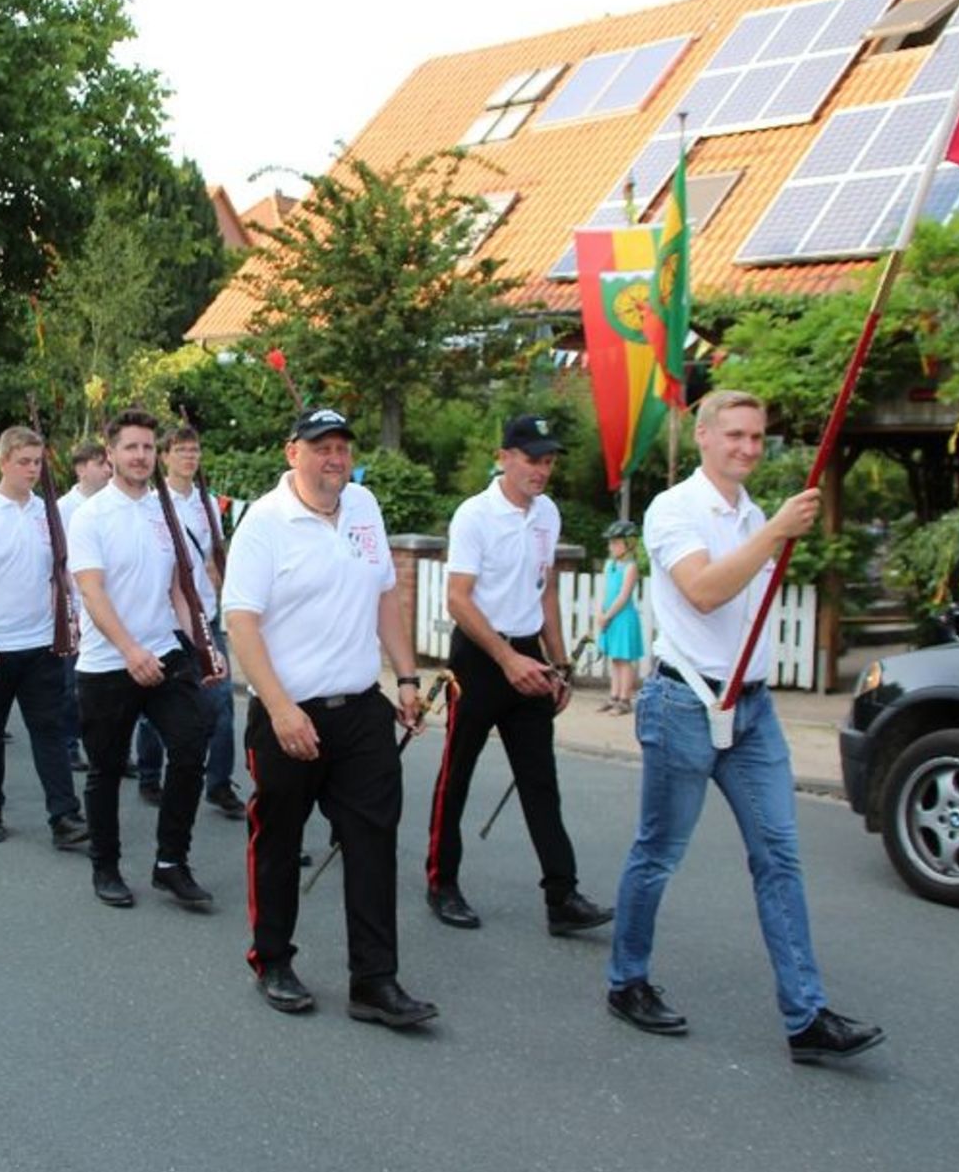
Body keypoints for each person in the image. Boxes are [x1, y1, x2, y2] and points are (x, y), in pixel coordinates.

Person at [605, 389, 883, 1065]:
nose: (748, 448)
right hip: (684, 703)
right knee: (659, 851)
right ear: (703, 435)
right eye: (734, 434)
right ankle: (627, 980)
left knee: (779, 856)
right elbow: (703, 591)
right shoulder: (674, 509)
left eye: (757, 436)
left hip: (752, 711)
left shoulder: (754, 514)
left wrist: (768, 530)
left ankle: (806, 1014)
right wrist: (774, 534)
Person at [224, 408, 437, 1029]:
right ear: (293, 452)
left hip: (361, 711)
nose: (335, 458)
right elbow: (241, 622)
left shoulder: (364, 507)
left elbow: (384, 595)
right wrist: (280, 708)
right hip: (288, 714)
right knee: (279, 841)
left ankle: (374, 981)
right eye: (322, 447)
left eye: (342, 447)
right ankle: (272, 960)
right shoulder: (264, 522)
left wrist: (405, 678)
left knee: (372, 843)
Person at [426, 415, 613, 938]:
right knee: (457, 773)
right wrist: (507, 659)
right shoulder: (475, 515)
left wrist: (561, 665)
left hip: (530, 653)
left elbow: (545, 590)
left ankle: (562, 894)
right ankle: (442, 882)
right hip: (480, 657)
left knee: (539, 779)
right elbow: (458, 599)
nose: (542, 470)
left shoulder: (547, 513)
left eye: (549, 461)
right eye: (533, 459)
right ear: (504, 457)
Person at [68, 410, 217, 909]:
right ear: (110, 453)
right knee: (106, 769)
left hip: (165, 653)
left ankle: (171, 862)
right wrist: (130, 650)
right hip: (107, 664)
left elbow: (178, 589)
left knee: (191, 746)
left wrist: (202, 646)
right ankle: (105, 866)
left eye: (148, 448)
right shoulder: (90, 516)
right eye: (131, 447)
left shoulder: (164, 512)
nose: (141, 456)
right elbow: (92, 592)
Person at [0, 427, 88, 850]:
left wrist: (73, 617)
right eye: (24, 462)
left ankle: (64, 815)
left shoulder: (48, 513)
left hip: (41, 644)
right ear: (3, 462)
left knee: (49, 730)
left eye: (37, 462)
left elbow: (61, 572)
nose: (32, 469)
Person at [131, 424, 242, 819]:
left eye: (194, 450)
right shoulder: (151, 504)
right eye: (181, 450)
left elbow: (212, 556)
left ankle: (219, 783)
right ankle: (149, 774)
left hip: (204, 615)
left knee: (222, 702)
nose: (189, 457)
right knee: (156, 703)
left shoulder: (208, 503)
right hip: (163, 620)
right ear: (164, 457)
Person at [54, 440, 111, 773]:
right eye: (99, 463)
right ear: (81, 469)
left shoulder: (111, 504)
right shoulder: (64, 507)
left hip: (106, 607)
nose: (107, 470)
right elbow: (59, 561)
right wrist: (67, 607)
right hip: (75, 605)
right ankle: (69, 744)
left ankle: (109, 746)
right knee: (71, 685)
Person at [595, 521, 645, 713]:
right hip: (610, 617)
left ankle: (625, 699)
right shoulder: (610, 565)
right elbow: (605, 591)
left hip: (623, 617)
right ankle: (613, 696)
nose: (612, 547)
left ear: (628, 544)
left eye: (616, 543)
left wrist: (607, 615)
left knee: (624, 660)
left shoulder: (630, 567)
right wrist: (600, 612)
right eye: (611, 543)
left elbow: (624, 596)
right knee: (615, 658)